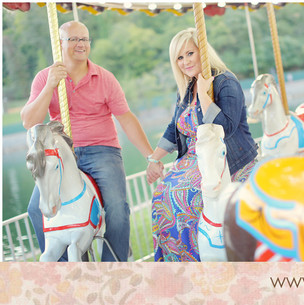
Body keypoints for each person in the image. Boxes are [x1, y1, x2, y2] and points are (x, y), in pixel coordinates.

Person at [21, 21, 155, 262]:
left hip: (102, 150)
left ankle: (113, 268)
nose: (80, 44)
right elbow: (29, 121)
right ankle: (62, 268)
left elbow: (126, 119)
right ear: (59, 44)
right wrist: (50, 86)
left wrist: (150, 156)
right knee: (35, 209)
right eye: (73, 39)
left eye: (84, 39)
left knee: (117, 208)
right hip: (62, 152)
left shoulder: (105, 78)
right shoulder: (45, 77)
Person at [146, 28, 258, 262]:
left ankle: (202, 258)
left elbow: (223, 129)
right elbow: (175, 127)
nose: (185, 61)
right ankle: (176, 263)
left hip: (225, 159)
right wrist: (154, 159)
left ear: (202, 53)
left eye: (190, 53)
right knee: (161, 194)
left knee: (188, 195)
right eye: (179, 57)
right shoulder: (186, 89)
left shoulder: (226, 82)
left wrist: (206, 94)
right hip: (194, 160)